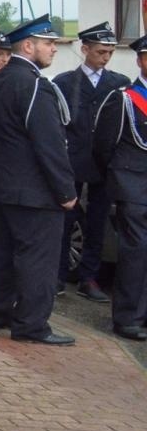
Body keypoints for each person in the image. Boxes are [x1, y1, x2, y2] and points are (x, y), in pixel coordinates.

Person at [0, 14, 77, 345]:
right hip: (34, 191)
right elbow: (49, 144)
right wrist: (66, 191)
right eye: (49, 43)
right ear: (28, 45)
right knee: (37, 260)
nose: (54, 50)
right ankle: (32, 325)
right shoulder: (35, 84)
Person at [52, 22, 127, 301]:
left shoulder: (118, 83)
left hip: (106, 162)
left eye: (109, 53)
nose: (105, 58)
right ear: (84, 49)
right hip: (72, 160)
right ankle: (58, 275)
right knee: (65, 219)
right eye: (99, 52)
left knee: (97, 222)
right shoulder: (65, 82)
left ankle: (89, 277)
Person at [92, 35, 147, 340]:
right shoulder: (123, 98)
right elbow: (103, 146)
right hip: (133, 186)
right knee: (137, 251)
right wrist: (120, 180)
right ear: (139, 60)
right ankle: (128, 317)